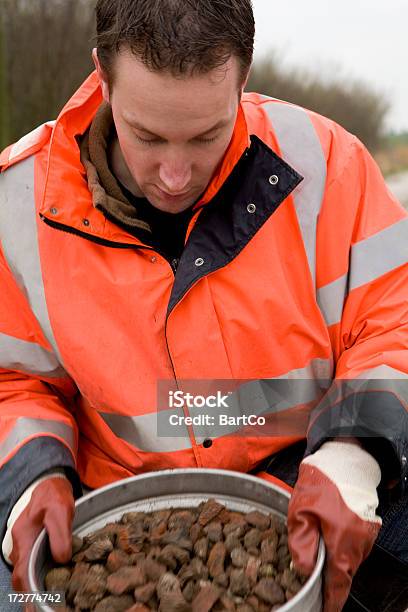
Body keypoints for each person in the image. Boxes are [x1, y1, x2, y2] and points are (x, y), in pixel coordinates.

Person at [0, 1, 407, 610]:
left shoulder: (328, 164)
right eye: (147, 135)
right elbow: (12, 382)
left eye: (205, 136)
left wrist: (355, 456)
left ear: (242, 80)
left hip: (318, 474)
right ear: (101, 77)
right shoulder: (16, 203)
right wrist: (30, 481)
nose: (173, 175)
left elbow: (394, 321)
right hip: (117, 509)